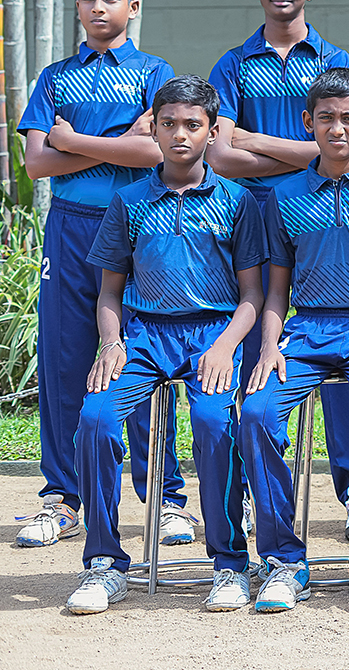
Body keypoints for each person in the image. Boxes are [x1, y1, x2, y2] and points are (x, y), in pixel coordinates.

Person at [64, 76, 265, 614]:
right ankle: (104, 563)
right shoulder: (130, 200)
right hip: (145, 334)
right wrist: (111, 343)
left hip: (214, 335)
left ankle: (229, 564)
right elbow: (109, 292)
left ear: (212, 131)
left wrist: (225, 346)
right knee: (96, 419)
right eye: (169, 123)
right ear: (152, 126)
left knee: (214, 423)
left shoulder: (238, 201)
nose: (180, 135)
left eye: (192, 125)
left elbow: (253, 295)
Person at [16, 0, 185, 549]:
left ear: (132, 8)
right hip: (70, 227)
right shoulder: (55, 76)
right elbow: (37, 163)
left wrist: (70, 140)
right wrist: (115, 143)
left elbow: (155, 156)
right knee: (66, 362)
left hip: (139, 225)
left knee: (142, 355)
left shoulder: (154, 72)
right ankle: (63, 498)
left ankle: (163, 496)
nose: (96, 7)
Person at [237, 68, 349, 613]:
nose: (338, 129)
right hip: (307, 329)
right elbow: (275, 291)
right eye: (327, 118)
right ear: (307, 122)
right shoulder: (282, 197)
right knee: (256, 413)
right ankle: (284, 561)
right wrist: (269, 348)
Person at [207, 0, 349, 536]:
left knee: (342, 327)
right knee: (257, 340)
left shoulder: (333, 60)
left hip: (329, 212)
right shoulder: (234, 64)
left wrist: (258, 142)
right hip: (248, 217)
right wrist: (305, 155)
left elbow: (346, 147)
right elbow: (221, 156)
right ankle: (247, 488)